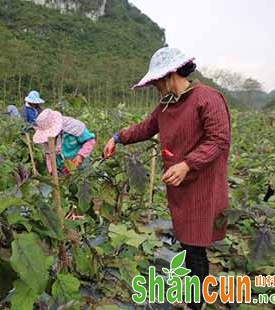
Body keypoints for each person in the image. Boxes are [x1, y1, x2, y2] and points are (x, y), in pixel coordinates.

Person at [103, 47, 231, 310]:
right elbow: (146, 128)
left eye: (157, 82)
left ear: (171, 74)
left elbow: (218, 139)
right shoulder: (166, 105)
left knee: (196, 247)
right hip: (180, 185)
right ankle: (194, 295)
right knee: (187, 241)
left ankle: (197, 303)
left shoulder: (207, 98)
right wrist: (117, 137)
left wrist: (187, 164)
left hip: (202, 185)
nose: (155, 87)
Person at [33, 108, 96, 175]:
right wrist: (52, 171)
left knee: (83, 181)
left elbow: (90, 141)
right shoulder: (47, 139)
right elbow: (49, 155)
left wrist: (80, 155)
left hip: (81, 164)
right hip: (63, 168)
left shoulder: (73, 127)